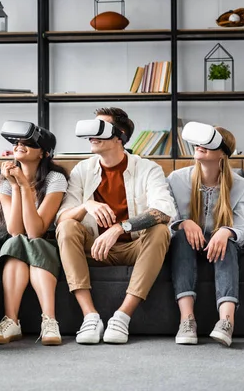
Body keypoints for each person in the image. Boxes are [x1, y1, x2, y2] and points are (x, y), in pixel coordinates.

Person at [55, 107, 176, 344]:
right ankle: (90, 316)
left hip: (134, 247)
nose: (92, 135)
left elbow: (164, 211)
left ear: (119, 135)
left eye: (99, 129)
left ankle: (122, 316)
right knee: (67, 226)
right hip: (94, 249)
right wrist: (86, 205)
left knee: (160, 230)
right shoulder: (83, 170)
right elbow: (61, 217)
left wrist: (120, 228)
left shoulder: (148, 168)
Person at [167, 122, 244, 347]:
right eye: (199, 142)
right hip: (187, 245)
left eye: (209, 143)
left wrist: (225, 231)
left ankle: (226, 322)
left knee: (228, 242)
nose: (200, 146)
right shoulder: (176, 179)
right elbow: (166, 220)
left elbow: (242, 227)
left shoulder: (240, 185)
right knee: (181, 238)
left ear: (223, 153)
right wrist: (184, 223)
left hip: (221, 246)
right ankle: (187, 320)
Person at [0, 121, 69, 346]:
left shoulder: (55, 179)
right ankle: (11, 321)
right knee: (15, 243)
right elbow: (15, 230)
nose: (19, 145)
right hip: (19, 245)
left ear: (43, 153)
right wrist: (15, 186)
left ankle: (49, 321)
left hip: (46, 243)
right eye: (17, 142)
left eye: (28, 143)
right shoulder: (4, 183)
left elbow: (36, 231)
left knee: (34, 244)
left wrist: (25, 186)